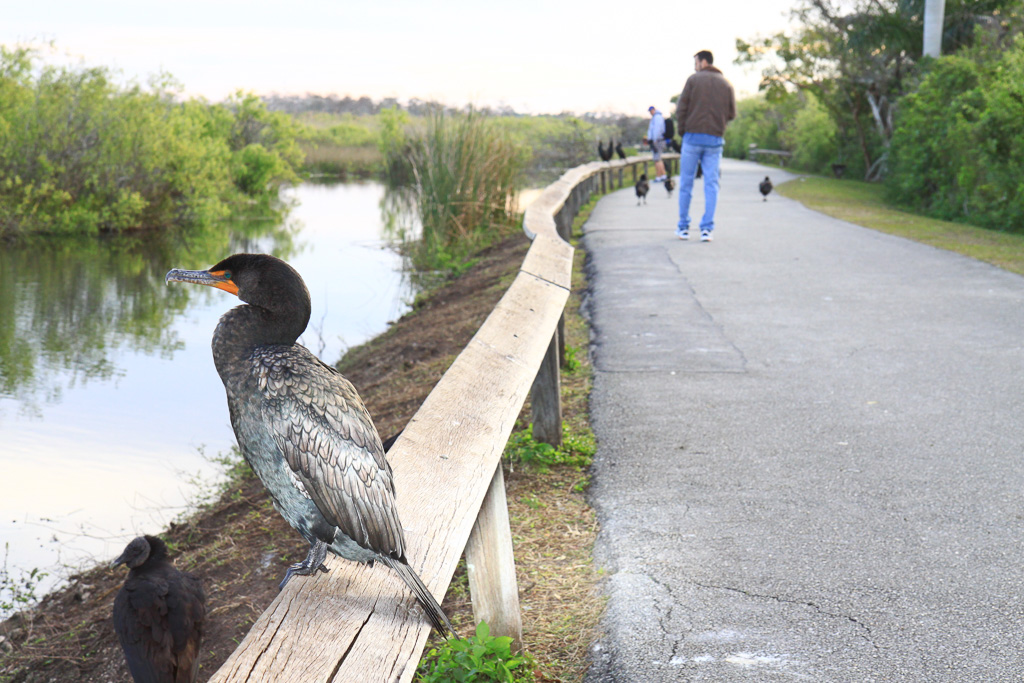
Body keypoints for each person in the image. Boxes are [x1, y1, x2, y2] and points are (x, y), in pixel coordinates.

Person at [674, 50, 736, 242]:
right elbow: (732, 113)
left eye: (696, 62)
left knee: (686, 183)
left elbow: (681, 109)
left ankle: (683, 227)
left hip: (692, 137)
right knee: (711, 184)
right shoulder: (726, 84)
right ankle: (707, 229)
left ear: (703, 62)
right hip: (714, 139)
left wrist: (683, 131)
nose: (695, 66)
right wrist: (719, 124)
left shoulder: (693, 80)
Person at [643, 106, 668, 182]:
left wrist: (654, 140)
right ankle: (663, 175)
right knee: (658, 158)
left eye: (651, 111)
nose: (650, 112)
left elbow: (657, 129)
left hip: (657, 140)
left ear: (654, 110)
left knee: (657, 159)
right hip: (658, 140)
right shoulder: (656, 117)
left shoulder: (657, 117)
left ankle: (658, 176)